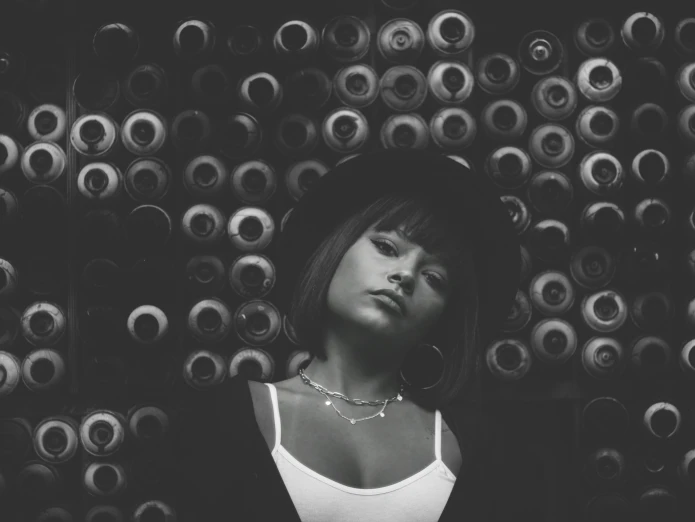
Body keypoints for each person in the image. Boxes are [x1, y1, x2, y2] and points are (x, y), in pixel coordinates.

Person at [173, 149, 548, 522]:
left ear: (442, 318)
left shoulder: (476, 447)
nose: (405, 275)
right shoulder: (231, 417)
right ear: (334, 252)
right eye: (386, 248)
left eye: (434, 277)